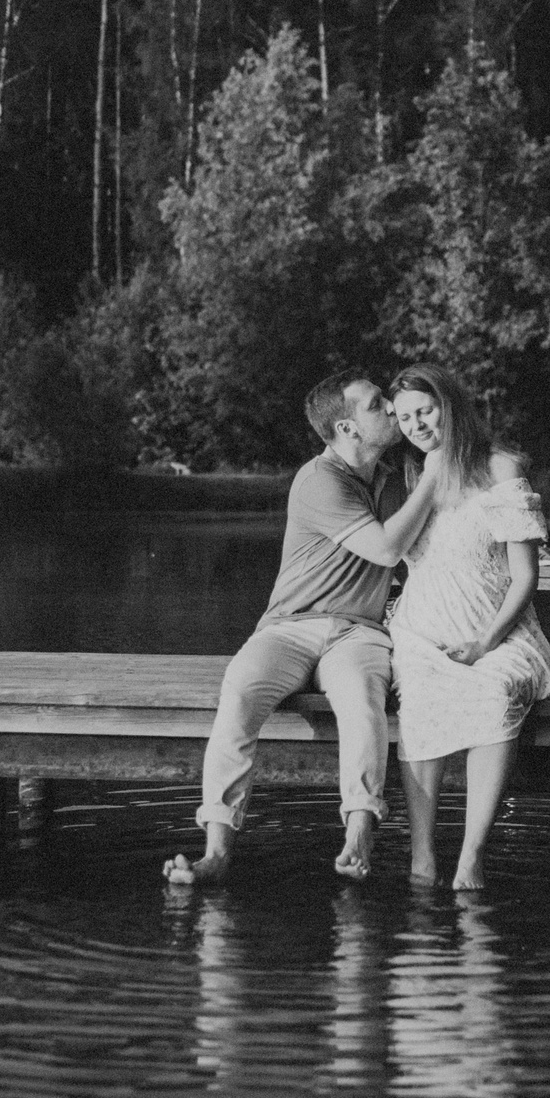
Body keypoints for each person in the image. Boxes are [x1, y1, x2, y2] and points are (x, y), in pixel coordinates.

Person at [164, 372, 438, 887]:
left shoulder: (395, 475)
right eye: (376, 404)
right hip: (289, 627)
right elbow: (385, 549)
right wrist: (432, 479)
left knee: (362, 699)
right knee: (239, 691)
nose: (390, 407)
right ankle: (216, 852)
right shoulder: (319, 481)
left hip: (358, 632)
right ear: (347, 428)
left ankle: (359, 834)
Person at [384, 364, 550, 890]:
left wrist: (485, 643)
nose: (416, 426)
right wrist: (430, 475)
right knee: (420, 696)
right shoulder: (412, 474)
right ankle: (422, 856)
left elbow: (525, 577)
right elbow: (390, 549)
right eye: (405, 418)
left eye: (425, 411)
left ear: (451, 405)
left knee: (494, 689)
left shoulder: (501, 469)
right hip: (421, 630)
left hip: (495, 632)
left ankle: (470, 857)